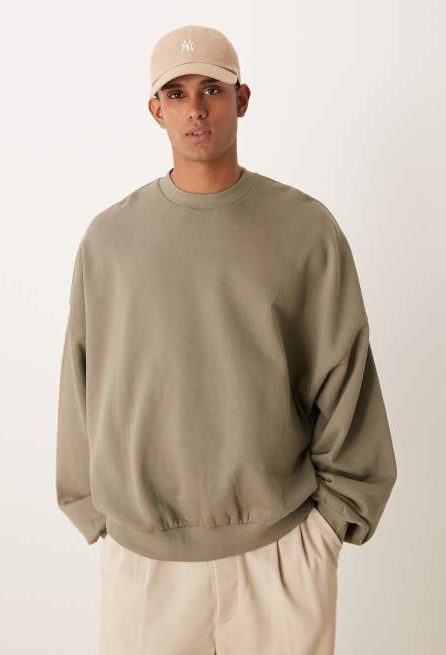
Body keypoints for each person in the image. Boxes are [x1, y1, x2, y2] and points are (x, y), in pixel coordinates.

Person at [55, 24, 397, 655]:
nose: (195, 108)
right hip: (145, 564)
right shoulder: (109, 241)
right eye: (177, 93)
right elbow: (83, 381)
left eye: (211, 88)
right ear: (155, 110)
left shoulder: (306, 230)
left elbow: (345, 373)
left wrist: (331, 524)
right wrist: (93, 510)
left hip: (282, 553)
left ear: (241, 99)